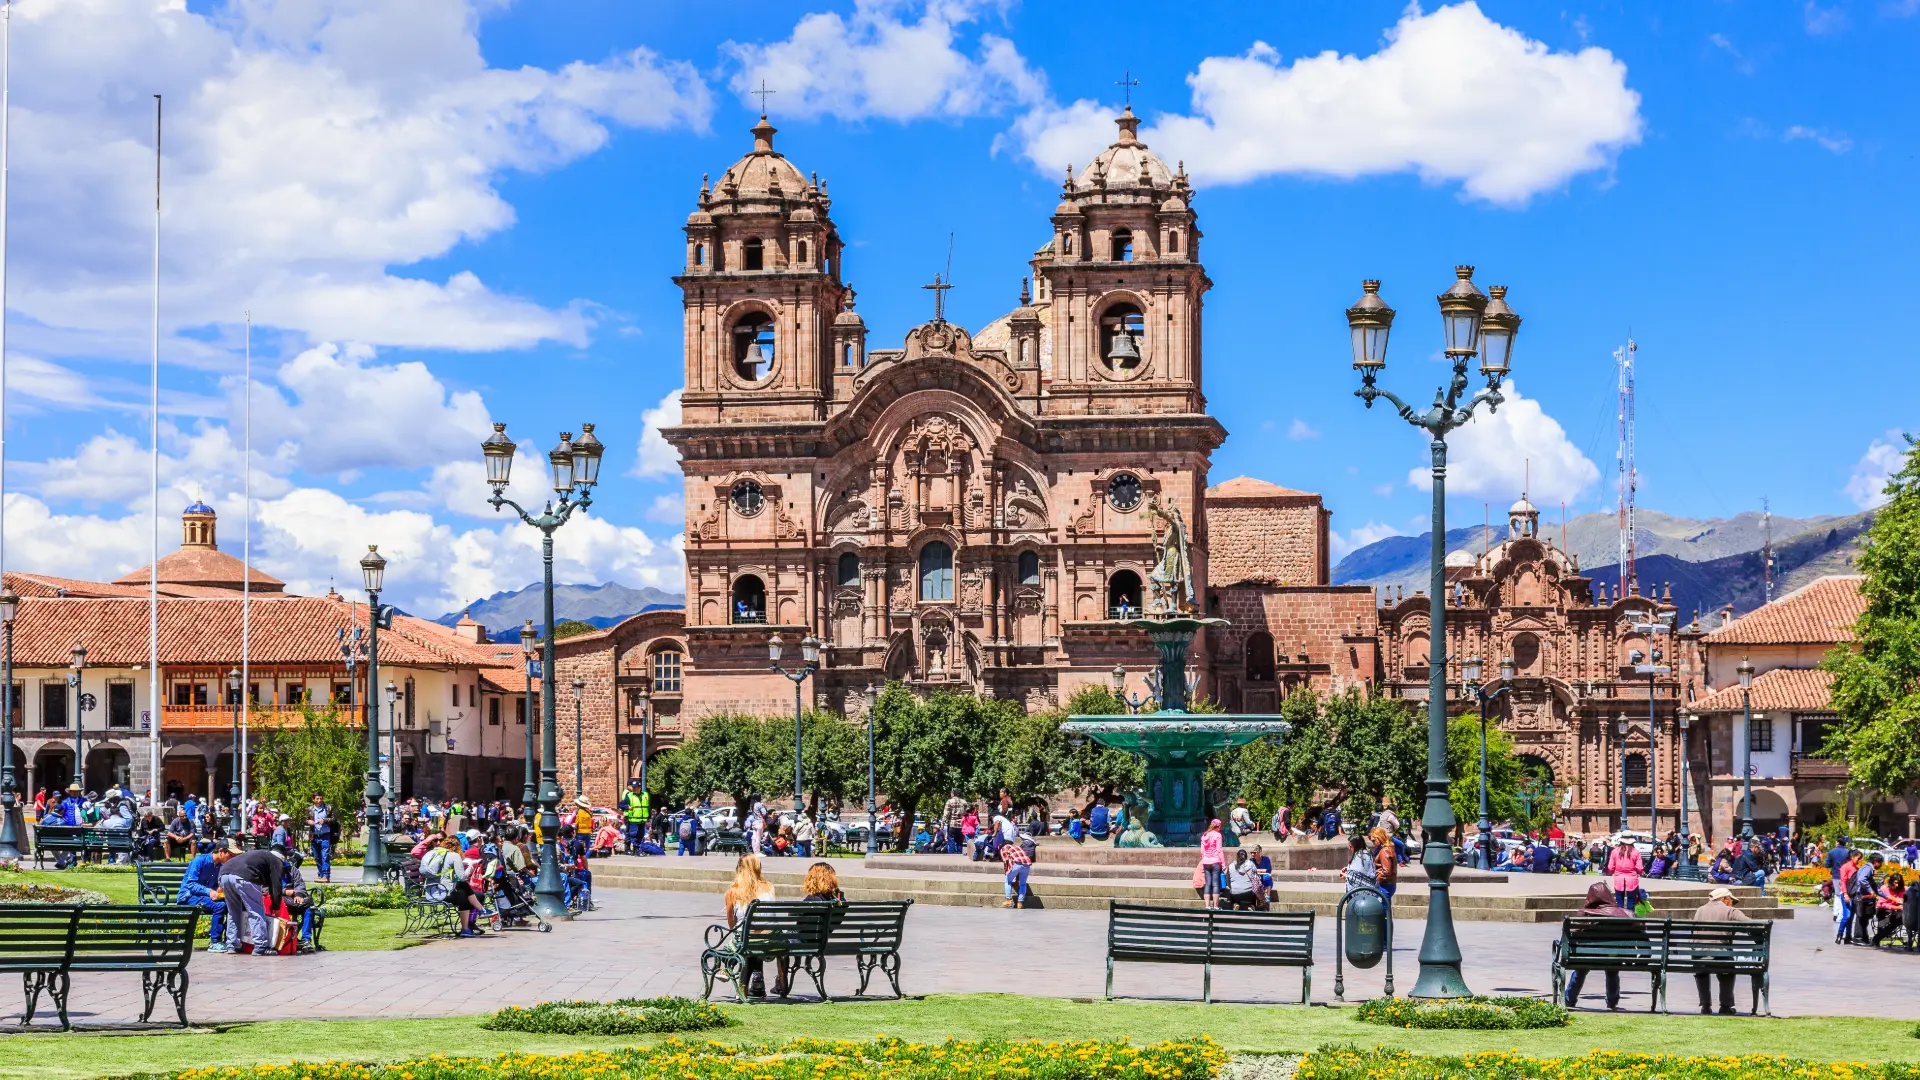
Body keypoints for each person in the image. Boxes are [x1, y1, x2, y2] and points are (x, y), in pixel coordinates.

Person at [1563, 881, 1640, 1010]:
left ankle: (1569, 999)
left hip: (1589, 955)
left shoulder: (1585, 914)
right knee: (1612, 969)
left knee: (1581, 969)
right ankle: (1612, 1001)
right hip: (1616, 956)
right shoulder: (1627, 914)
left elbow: (1572, 936)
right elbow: (1641, 936)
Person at [722, 854, 778, 998]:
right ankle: (757, 983)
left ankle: (727, 968)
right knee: (755, 938)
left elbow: (732, 924)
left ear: (740, 868)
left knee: (740, 942)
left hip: (746, 940)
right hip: (771, 940)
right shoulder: (770, 888)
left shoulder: (733, 891)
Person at [1689, 887, 1750, 1014]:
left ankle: (1705, 1006)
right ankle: (1725, 1006)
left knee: (1701, 972)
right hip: (1721, 956)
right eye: (1731, 900)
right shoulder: (1731, 911)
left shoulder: (1699, 911)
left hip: (1700, 956)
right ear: (1723, 899)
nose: (1732, 903)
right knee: (1728, 971)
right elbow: (1753, 925)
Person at [219, 844, 289, 954]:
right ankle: (261, 946)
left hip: (224, 874)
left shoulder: (262, 855)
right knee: (256, 911)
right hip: (245, 876)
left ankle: (232, 944)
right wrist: (276, 907)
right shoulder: (277, 861)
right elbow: (276, 886)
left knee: (233, 912)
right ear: (283, 857)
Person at [178, 839, 236, 951]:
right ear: (221, 851)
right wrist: (209, 892)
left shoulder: (221, 866)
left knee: (233, 905)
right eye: (231, 854)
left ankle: (229, 940)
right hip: (188, 896)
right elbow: (191, 884)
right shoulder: (199, 860)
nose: (232, 857)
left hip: (205, 898)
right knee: (220, 906)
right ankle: (214, 942)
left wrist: (219, 890)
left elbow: (217, 886)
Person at [1849, 853, 1884, 946]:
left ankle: (1864, 938)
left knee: (1864, 918)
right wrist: (1870, 890)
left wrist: (1887, 896)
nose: (1881, 865)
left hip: (1864, 898)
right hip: (1861, 897)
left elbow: (1875, 888)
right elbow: (1861, 879)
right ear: (1876, 862)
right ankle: (1858, 938)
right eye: (1880, 863)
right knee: (1861, 918)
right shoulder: (1868, 868)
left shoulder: (1868, 869)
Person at [1196, 818, 1226, 909]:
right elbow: (1219, 850)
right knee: (1216, 883)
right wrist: (1223, 863)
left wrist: (1205, 858)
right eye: (1220, 826)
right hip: (1216, 861)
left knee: (1208, 883)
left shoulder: (1204, 835)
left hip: (1206, 862)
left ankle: (1207, 906)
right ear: (1218, 826)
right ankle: (1216, 906)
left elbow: (1202, 851)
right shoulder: (1218, 835)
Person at [1607, 838, 1642, 911]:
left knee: (1619, 904)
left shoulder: (1615, 851)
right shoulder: (1636, 852)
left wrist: (1615, 871)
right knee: (1631, 903)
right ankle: (1631, 920)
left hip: (1619, 879)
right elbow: (1640, 868)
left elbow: (1610, 867)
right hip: (1632, 880)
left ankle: (1621, 920)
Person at [306, 793, 334, 882]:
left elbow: (334, 819)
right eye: (317, 799)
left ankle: (326, 876)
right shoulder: (310, 809)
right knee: (317, 857)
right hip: (314, 836)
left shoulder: (328, 808)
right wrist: (308, 821)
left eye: (321, 798)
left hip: (325, 835)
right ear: (313, 799)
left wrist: (325, 820)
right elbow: (305, 819)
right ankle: (321, 874)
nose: (319, 800)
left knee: (325, 856)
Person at [1001, 830, 1032, 908]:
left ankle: (1008, 900)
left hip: (1016, 863)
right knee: (1022, 884)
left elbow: (1006, 860)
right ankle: (1020, 903)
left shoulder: (1004, 848)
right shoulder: (1017, 847)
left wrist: (1007, 872)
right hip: (1027, 864)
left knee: (1008, 881)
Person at [1370, 826, 1399, 908]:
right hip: (1387, 884)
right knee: (1384, 912)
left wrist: (1377, 880)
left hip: (1384, 885)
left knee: (1383, 912)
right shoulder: (1387, 848)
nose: (1373, 843)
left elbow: (1386, 871)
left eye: (1374, 840)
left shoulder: (1384, 850)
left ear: (1380, 837)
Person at [620, 781, 650, 854]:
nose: (634, 789)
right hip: (634, 819)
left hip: (642, 819)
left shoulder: (645, 795)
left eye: (635, 787)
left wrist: (649, 817)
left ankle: (636, 850)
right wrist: (627, 807)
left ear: (639, 787)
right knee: (634, 835)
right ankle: (636, 850)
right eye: (633, 787)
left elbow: (647, 806)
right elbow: (621, 804)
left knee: (641, 835)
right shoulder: (630, 796)